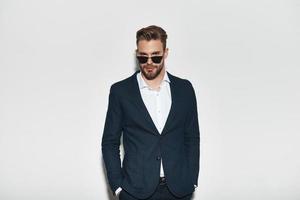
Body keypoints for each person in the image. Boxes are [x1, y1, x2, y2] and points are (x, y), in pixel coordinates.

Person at [101, 25, 200, 200]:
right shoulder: (120, 91)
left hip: (179, 191)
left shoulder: (185, 89)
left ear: (166, 53)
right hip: (135, 191)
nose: (149, 63)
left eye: (156, 57)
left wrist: (192, 180)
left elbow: (191, 138)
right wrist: (118, 187)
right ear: (136, 53)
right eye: (142, 57)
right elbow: (110, 142)